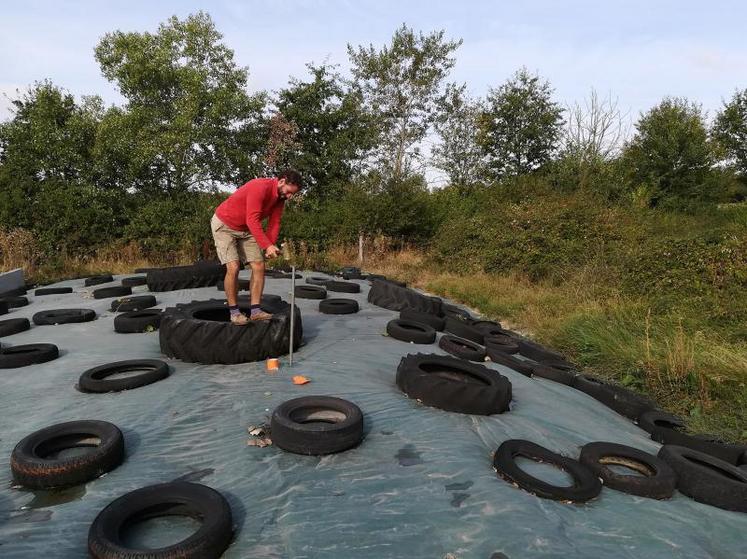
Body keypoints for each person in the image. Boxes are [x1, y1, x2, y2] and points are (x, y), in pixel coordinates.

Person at [211, 170, 302, 324]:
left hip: (246, 229)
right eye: (289, 192)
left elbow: (275, 223)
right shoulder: (259, 187)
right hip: (224, 225)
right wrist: (266, 245)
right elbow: (252, 219)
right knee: (233, 267)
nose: (289, 196)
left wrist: (270, 245)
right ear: (281, 181)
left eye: (292, 194)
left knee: (259, 265)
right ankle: (234, 313)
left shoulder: (280, 199)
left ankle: (255, 311)